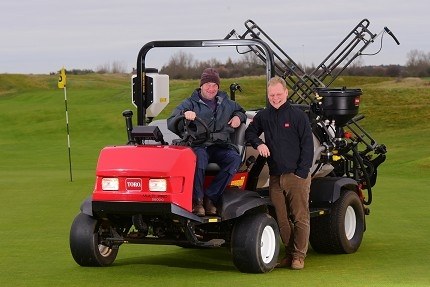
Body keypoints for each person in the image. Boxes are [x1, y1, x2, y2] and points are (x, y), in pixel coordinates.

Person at [244, 76, 314, 270]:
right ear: (268, 95)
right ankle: (289, 253)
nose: (275, 98)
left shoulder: (298, 116)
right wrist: (259, 143)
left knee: (300, 217)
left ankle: (299, 256)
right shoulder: (263, 116)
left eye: (278, 94)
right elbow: (250, 133)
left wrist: (302, 172)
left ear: (286, 92)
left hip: (297, 176)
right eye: (271, 95)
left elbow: (307, 146)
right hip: (275, 177)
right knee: (281, 218)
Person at [167, 68, 246, 216]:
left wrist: (238, 117)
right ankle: (198, 201)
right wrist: (184, 115)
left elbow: (241, 111)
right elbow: (171, 121)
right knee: (200, 158)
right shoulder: (190, 103)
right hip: (198, 145)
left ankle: (211, 197)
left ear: (218, 86)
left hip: (220, 145)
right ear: (201, 86)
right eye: (208, 85)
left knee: (234, 158)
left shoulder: (226, 103)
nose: (211, 88)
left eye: (214, 85)